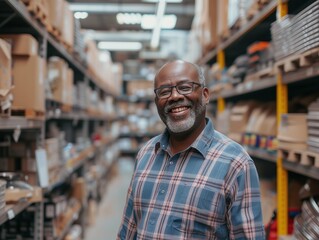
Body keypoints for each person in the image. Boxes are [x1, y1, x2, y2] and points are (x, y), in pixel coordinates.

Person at [117, 60, 265, 239]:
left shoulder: (236, 164)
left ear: (205, 95)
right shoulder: (146, 154)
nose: (174, 96)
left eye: (185, 87)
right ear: (157, 102)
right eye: (164, 92)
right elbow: (128, 229)